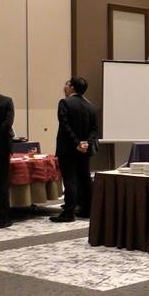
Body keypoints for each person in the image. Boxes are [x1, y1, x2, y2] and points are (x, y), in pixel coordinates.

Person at [51, 77, 98, 222]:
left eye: (67, 85)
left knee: (69, 179)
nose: (64, 87)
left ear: (72, 87)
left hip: (68, 148)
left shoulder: (65, 103)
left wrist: (77, 143)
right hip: (85, 149)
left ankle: (69, 212)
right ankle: (88, 210)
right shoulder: (91, 106)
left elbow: (64, 126)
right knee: (85, 178)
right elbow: (95, 129)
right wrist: (86, 143)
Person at [0, 72, 15, 228]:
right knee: (1, 183)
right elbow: (7, 124)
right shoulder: (6, 101)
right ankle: (3, 218)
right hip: (1, 147)